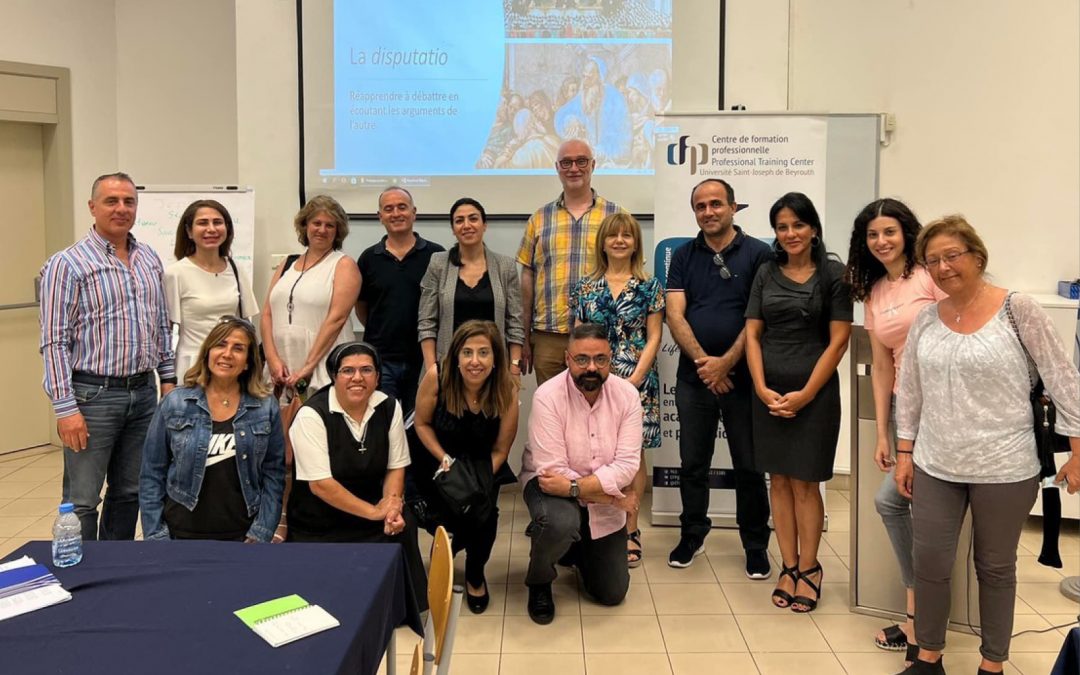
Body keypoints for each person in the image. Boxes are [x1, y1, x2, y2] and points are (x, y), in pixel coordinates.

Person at [893, 216, 1080, 675]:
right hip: (937, 462)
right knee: (930, 563)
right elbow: (911, 389)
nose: (942, 267)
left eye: (952, 255)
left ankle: (991, 663)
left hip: (1005, 466)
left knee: (995, 569)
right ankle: (929, 657)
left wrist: (1079, 449)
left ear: (977, 256)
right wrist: (904, 452)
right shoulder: (926, 319)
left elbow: (1062, 378)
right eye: (932, 260)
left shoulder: (1018, 309)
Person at [39, 172, 175, 541]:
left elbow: (161, 324)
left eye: (128, 201)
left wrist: (168, 378)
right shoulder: (67, 264)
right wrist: (65, 409)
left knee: (130, 492)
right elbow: (53, 341)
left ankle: (115, 568)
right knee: (82, 499)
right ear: (92, 207)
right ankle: (82, 575)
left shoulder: (148, 258)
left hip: (143, 394)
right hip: (91, 396)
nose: (121, 208)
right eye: (112, 201)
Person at [844, 198, 947, 661]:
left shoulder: (930, 275)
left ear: (906, 232)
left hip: (946, 409)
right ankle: (918, 615)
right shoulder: (875, 291)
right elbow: (882, 364)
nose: (881, 241)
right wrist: (883, 433)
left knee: (903, 505)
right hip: (908, 411)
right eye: (872, 235)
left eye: (889, 231)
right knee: (896, 502)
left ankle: (921, 621)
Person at [745, 192, 853, 613]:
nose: (790, 234)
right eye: (782, 227)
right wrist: (758, 385)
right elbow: (752, 334)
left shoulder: (833, 273)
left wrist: (807, 393)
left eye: (797, 225)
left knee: (807, 483)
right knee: (780, 481)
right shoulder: (766, 272)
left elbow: (840, 338)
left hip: (815, 395)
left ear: (813, 229)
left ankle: (810, 569)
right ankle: (787, 565)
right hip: (768, 392)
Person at [665, 179, 773, 574]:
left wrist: (726, 363)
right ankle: (692, 534)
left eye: (715, 204)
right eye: (700, 206)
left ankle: (756, 544)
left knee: (749, 464)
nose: (708, 212)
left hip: (744, 378)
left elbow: (757, 316)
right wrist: (706, 365)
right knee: (693, 462)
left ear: (733, 207)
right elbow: (675, 314)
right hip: (696, 379)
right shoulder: (682, 255)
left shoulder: (760, 254)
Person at [287, 342, 428, 609]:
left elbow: (396, 466)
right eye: (347, 371)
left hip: (373, 510)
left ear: (377, 376)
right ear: (334, 376)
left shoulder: (388, 406)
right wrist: (374, 512)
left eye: (366, 370)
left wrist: (392, 506)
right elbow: (321, 486)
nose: (357, 378)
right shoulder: (311, 415)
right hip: (322, 520)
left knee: (403, 520)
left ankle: (398, 609)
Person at [518, 323, 642, 624]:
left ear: (610, 359)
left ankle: (575, 549)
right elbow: (551, 472)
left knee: (612, 593)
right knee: (560, 521)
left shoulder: (626, 396)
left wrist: (575, 488)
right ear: (567, 359)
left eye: (600, 359)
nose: (591, 368)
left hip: (580, 490)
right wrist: (612, 500)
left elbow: (627, 466)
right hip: (548, 487)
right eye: (582, 359)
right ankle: (539, 581)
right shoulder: (548, 396)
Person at [569, 212, 663, 568]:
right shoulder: (585, 286)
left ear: (636, 242)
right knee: (594, 451)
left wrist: (635, 378)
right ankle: (593, 526)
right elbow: (577, 336)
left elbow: (655, 336)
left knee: (631, 456)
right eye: (613, 235)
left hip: (635, 382)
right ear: (603, 243)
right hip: (591, 381)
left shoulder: (649, 285)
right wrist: (579, 373)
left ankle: (630, 529)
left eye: (627, 235)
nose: (620, 241)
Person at [140, 316, 285, 542]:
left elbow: (274, 475)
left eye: (238, 348)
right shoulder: (175, 403)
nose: (227, 354)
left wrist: (262, 530)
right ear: (208, 352)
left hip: (243, 535)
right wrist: (156, 534)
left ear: (248, 361)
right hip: (180, 533)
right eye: (220, 345)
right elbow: (151, 474)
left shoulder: (265, 407)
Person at [413, 320, 519, 614]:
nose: (475, 361)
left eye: (484, 353)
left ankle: (474, 573)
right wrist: (446, 462)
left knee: (484, 516)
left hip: (485, 465)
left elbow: (501, 448)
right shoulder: (438, 376)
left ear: (495, 358)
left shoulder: (507, 389)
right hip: (438, 463)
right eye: (468, 352)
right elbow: (421, 424)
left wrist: (475, 483)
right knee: (446, 520)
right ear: (456, 356)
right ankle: (444, 563)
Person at [516, 139, 624, 385]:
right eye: (566, 162)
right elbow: (527, 278)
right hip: (548, 337)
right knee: (553, 410)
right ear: (557, 167)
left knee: (599, 411)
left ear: (593, 165)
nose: (574, 168)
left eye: (581, 161)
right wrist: (524, 338)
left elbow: (629, 274)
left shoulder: (616, 216)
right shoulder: (539, 219)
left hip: (600, 334)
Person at [356, 186, 445, 414]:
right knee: (386, 424)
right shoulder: (368, 259)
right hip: (381, 360)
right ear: (380, 217)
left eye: (402, 207)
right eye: (389, 209)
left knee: (420, 426)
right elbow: (362, 307)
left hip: (425, 360)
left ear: (414, 212)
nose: (396, 213)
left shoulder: (437, 256)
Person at [263, 195, 359, 396]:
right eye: (316, 223)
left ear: (338, 231)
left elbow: (337, 319)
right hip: (281, 368)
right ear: (305, 226)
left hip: (321, 366)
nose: (322, 230)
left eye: (330, 225)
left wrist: (308, 367)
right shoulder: (287, 264)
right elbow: (267, 314)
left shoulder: (343, 265)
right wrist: (272, 360)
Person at [417, 198, 524, 374]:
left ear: (484, 225)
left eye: (473, 219)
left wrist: (513, 368)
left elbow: (515, 323)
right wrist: (432, 368)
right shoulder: (438, 263)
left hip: (494, 369)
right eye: (459, 221)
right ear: (453, 229)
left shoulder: (505, 266)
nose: (466, 225)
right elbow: (426, 321)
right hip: (448, 368)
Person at [165, 199, 260, 375]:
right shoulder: (175, 273)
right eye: (202, 223)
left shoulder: (236, 269)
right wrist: (166, 379)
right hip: (193, 366)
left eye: (217, 222)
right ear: (189, 231)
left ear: (227, 229)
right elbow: (166, 332)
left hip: (229, 366)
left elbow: (246, 324)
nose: (211, 229)